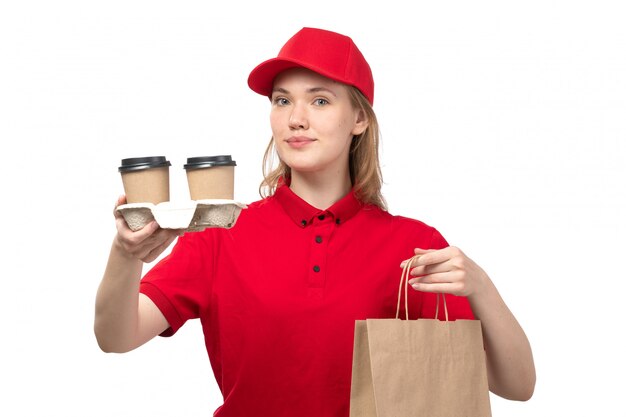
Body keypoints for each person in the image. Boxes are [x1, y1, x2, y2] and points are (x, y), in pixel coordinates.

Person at [94, 27, 535, 416]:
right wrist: (124, 255)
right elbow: (116, 336)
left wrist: (480, 286)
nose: (295, 118)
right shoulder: (220, 234)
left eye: (319, 100)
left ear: (359, 118)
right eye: (282, 101)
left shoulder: (412, 246)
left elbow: (517, 386)